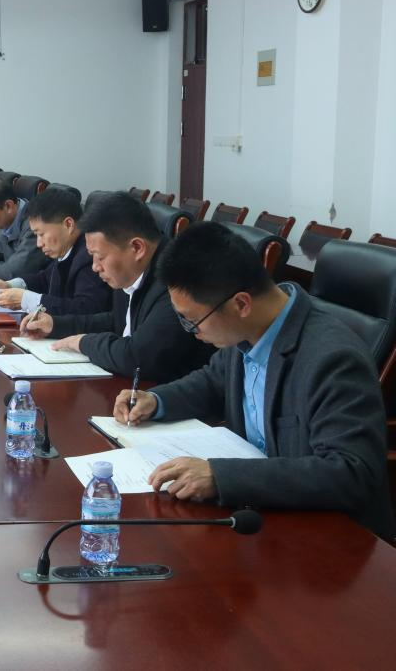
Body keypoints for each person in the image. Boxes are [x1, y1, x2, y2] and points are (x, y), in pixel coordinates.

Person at [113, 221, 393, 540]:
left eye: (193, 321)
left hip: (330, 538)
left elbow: (350, 472)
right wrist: (156, 400)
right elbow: (213, 381)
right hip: (264, 515)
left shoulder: (333, 359)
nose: (192, 332)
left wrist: (220, 476)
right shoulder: (247, 330)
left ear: (241, 304)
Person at [21, 191, 213, 381]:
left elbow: (137, 357)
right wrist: (55, 324)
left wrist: (83, 343)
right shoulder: (131, 271)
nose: (95, 266)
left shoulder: (175, 282)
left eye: (99, 256)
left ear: (137, 248)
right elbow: (117, 322)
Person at [0, 185, 113, 316]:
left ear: (68, 224)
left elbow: (86, 308)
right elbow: (45, 278)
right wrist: (9, 285)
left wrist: (26, 300)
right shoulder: (67, 248)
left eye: (41, 234)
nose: (39, 243)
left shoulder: (89, 256)